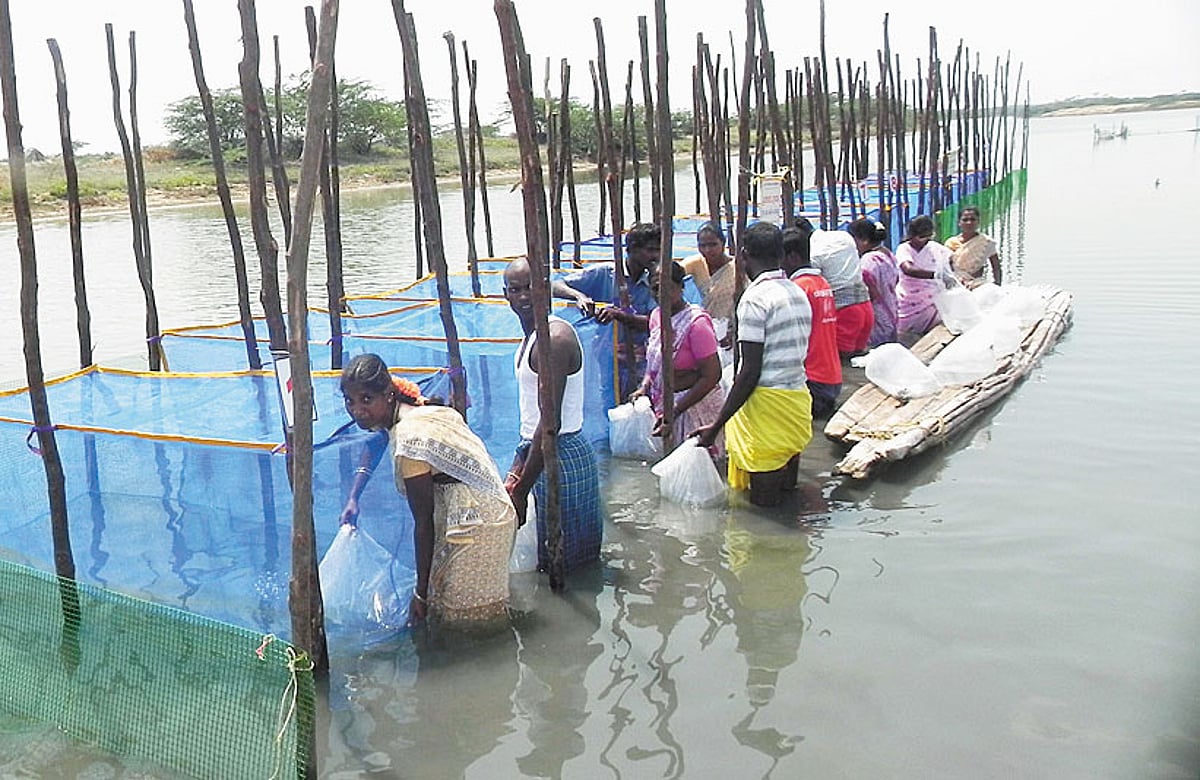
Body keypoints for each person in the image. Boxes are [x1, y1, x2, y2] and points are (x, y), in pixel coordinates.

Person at [340, 353, 515, 624]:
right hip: (481, 507)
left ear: (388, 395)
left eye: (366, 399)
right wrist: (354, 497)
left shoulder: (410, 440)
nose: (356, 410)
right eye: (349, 401)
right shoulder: (414, 408)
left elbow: (423, 522)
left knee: (467, 617)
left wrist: (419, 594)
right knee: (446, 600)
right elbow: (374, 445)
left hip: (482, 522)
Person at [696, 222, 813, 507]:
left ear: (744, 255)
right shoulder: (797, 292)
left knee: (764, 506)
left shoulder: (754, 300)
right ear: (781, 254)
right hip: (796, 401)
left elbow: (749, 372)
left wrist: (716, 427)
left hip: (766, 408)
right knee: (788, 493)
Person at [504, 258, 604, 573]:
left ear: (545, 289)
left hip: (561, 454)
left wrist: (521, 491)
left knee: (570, 564)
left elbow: (550, 423)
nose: (523, 296)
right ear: (506, 295)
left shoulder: (555, 340)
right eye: (515, 289)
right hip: (537, 453)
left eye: (530, 287)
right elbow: (531, 420)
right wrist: (519, 470)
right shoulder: (532, 337)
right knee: (547, 557)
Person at [629, 260, 726, 454]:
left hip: (694, 406)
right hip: (667, 406)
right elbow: (654, 364)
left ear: (681, 287)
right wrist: (644, 387)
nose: (661, 294)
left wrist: (676, 410)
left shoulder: (696, 323)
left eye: (667, 288)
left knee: (699, 463)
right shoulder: (657, 316)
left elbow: (712, 375)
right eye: (655, 289)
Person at [552, 221, 660, 392]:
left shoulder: (654, 281)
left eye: (658, 250)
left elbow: (656, 322)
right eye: (650, 250)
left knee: (642, 397)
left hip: (641, 356)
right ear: (632, 249)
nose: (655, 256)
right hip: (608, 355)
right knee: (610, 396)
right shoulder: (605, 273)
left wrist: (619, 315)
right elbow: (555, 286)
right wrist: (579, 296)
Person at [781, 227, 842, 419]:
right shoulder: (822, 283)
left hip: (812, 379)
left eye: (780, 258)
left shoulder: (798, 288)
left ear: (792, 257)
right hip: (832, 376)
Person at [801, 218, 874, 357]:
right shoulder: (843, 236)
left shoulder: (814, 254)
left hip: (844, 312)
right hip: (865, 306)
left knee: (840, 361)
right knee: (858, 361)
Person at [895, 214, 955, 347]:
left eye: (928, 237)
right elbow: (908, 269)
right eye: (921, 237)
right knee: (905, 334)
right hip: (909, 298)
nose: (924, 241)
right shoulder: (904, 249)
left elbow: (951, 258)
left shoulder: (934, 247)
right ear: (911, 235)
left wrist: (950, 273)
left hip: (931, 297)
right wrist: (936, 275)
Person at [679, 221, 736, 341]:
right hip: (702, 329)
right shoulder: (694, 264)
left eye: (713, 245)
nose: (708, 250)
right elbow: (672, 276)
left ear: (723, 243)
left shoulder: (736, 268)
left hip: (730, 330)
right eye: (703, 246)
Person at [848, 217, 900, 347]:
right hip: (891, 310)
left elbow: (871, 293)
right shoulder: (887, 253)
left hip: (877, 316)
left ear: (864, 240)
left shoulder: (868, 261)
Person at [944, 206, 1002, 289]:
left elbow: (996, 266)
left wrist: (997, 285)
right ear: (959, 223)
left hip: (977, 284)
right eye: (965, 220)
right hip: (955, 284)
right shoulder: (951, 243)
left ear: (978, 222)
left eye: (973, 219)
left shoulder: (986, 242)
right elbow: (945, 267)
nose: (969, 223)